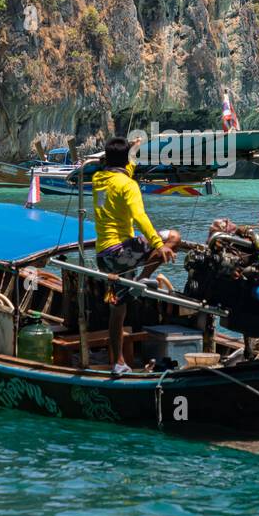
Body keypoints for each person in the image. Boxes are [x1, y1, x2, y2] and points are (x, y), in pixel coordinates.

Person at [93, 137, 181, 374]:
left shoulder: (99, 179)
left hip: (104, 257)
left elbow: (123, 168)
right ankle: (140, 280)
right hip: (122, 253)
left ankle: (118, 362)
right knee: (174, 237)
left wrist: (132, 150)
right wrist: (158, 244)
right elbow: (140, 216)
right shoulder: (128, 185)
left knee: (118, 310)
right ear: (125, 161)